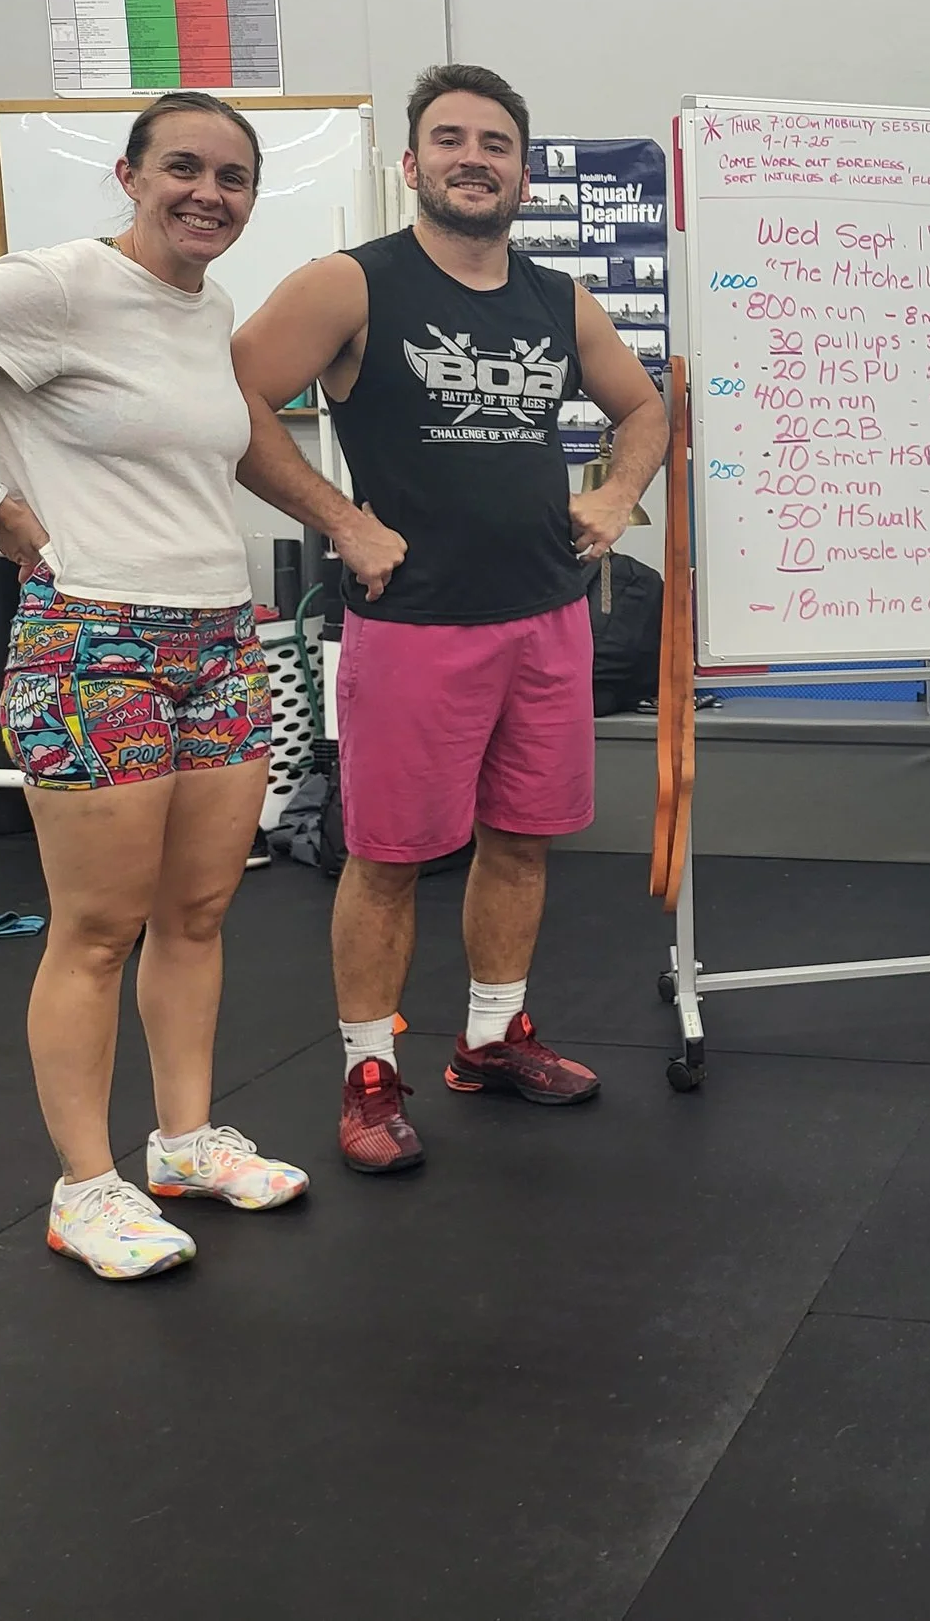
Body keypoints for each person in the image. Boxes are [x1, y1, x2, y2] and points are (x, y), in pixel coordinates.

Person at [0, 92, 308, 1280]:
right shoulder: (53, 286)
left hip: (217, 640)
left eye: (233, 176)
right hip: (90, 640)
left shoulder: (208, 311)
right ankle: (85, 1186)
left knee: (200, 911)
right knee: (99, 929)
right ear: (129, 174)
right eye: (183, 169)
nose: (209, 193)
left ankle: (182, 1140)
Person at [231, 64, 666, 1173]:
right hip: (414, 624)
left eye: (496, 144)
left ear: (522, 170)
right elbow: (228, 406)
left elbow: (644, 406)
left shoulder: (555, 297)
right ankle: (369, 1074)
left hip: (545, 616)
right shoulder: (350, 285)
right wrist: (341, 519)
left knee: (521, 841)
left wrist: (616, 495)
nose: (474, 158)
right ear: (414, 162)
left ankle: (490, 1037)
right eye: (451, 139)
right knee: (387, 857)